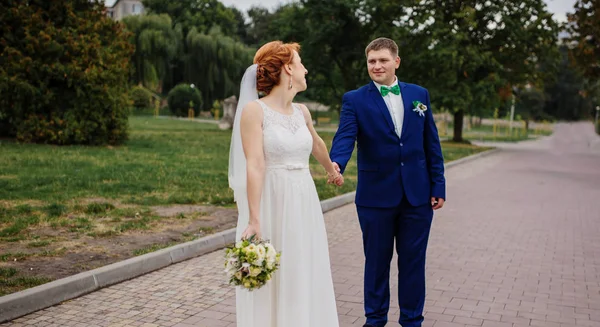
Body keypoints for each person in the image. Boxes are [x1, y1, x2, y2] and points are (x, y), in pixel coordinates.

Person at [329, 37, 446, 327]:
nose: (377, 66)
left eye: (382, 60)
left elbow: (431, 144)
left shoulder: (419, 95)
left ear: (396, 62)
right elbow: (345, 136)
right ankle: (375, 319)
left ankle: (411, 320)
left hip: (417, 197)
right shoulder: (354, 99)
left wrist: (438, 185)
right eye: (371, 61)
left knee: (413, 264)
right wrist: (336, 163)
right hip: (375, 198)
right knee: (377, 264)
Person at [228, 41, 342, 327]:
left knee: (302, 268)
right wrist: (254, 219)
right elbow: (254, 163)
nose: (306, 69)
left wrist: (331, 170)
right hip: (272, 200)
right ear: (288, 69)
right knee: (276, 274)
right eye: (301, 63)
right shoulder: (255, 111)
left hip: (303, 199)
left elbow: (315, 143)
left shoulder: (302, 112)